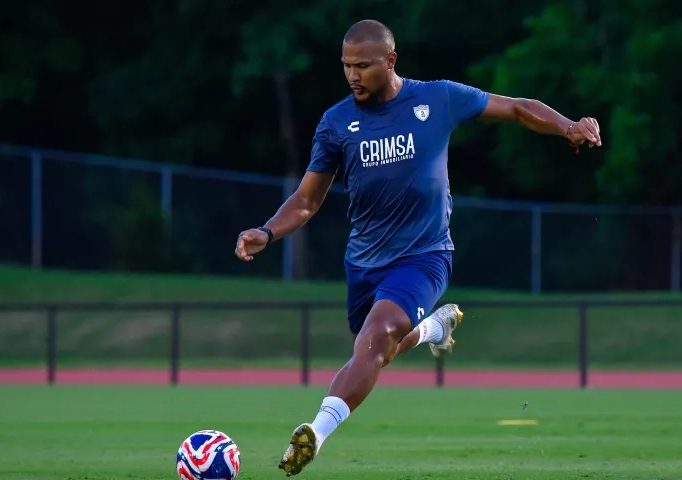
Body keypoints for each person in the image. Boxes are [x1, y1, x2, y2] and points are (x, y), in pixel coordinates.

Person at [234, 19, 602, 477]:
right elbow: (308, 200)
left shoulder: (437, 98)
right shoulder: (335, 123)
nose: (353, 76)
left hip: (425, 255)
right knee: (375, 350)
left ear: (390, 61)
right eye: (346, 66)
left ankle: (315, 432)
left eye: (363, 66)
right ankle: (434, 329)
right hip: (364, 262)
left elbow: (518, 108)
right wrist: (267, 232)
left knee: (380, 334)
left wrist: (568, 126)